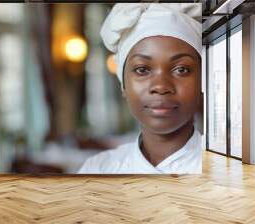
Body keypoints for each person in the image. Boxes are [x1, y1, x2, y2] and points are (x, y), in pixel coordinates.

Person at [78, 3, 203, 174]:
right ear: (124, 85)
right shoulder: (97, 169)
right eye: (142, 70)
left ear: (203, 81)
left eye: (181, 69)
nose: (160, 86)